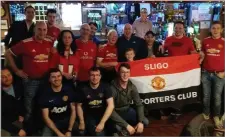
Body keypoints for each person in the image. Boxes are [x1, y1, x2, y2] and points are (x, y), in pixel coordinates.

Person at [5, 21, 54, 128]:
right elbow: (8, 53)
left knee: (44, 105)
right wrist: (17, 70)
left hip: (46, 81)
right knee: (29, 107)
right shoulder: (25, 43)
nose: (42, 32)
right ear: (34, 30)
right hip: (30, 81)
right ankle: (28, 128)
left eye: (44, 29)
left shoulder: (49, 42)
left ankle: (43, 126)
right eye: (39, 29)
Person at [110, 63, 149, 136]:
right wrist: (126, 125)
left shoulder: (132, 86)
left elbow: (139, 104)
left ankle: (128, 130)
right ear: (118, 73)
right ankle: (126, 129)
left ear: (130, 73)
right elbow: (110, 111)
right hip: (116, 113)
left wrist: (140, 122)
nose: (125, 75)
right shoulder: (112, 88)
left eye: (127, 72)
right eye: (123, 72)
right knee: (117, 130)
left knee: (145, 121)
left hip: (127, 110)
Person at [77, 67, 114, 136]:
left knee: (115, 131)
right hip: (90, 116)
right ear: (89, 76)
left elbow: (111, 105)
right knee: (99, 134)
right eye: (92, 75)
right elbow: (79, 106)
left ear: (100, 76)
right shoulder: (82, 88)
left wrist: (102, 122)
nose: (95, 77)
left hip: (104, 114)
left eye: (97, 75)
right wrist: (82, 122)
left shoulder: (106, 86)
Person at [201, 21, 224, 129]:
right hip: (206, 73)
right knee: (206, 96)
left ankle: (216, 116)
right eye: (213, 28)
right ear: (210, 30)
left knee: (217, 97)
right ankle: (206, 113)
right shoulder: (205, 41)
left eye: (218, 28)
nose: (215, 30)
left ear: (222, 30)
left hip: (219, 75)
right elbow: (202, 54)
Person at [39, 68, 77, 136]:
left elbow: (73, 111)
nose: (56, 79)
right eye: (53, 77)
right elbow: (46, 117)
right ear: (49, 79)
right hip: (53, 122)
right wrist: (59, 134)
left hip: (68, 120)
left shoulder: (69, 89)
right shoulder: (44, 93)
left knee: (81, 131)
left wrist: (69, 130)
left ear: (62, 77)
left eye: (59, 76)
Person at [3, 5, 35, 70]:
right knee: (12, 72)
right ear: (25, 13)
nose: (30, 14)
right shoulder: (16, 24)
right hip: (14, 54)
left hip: (27, 55)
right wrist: (7, 52)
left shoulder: (36, 27)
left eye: (32, 12)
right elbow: (7, 38)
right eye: (28, 12)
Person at [1, 68, 26, 136]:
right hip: (4, 123)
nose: (7, 78)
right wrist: (17, 130)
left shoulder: (19, 87)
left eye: (9, 75)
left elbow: (23, 102)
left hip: (17, 120)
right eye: (3, 77)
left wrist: (21, 114)